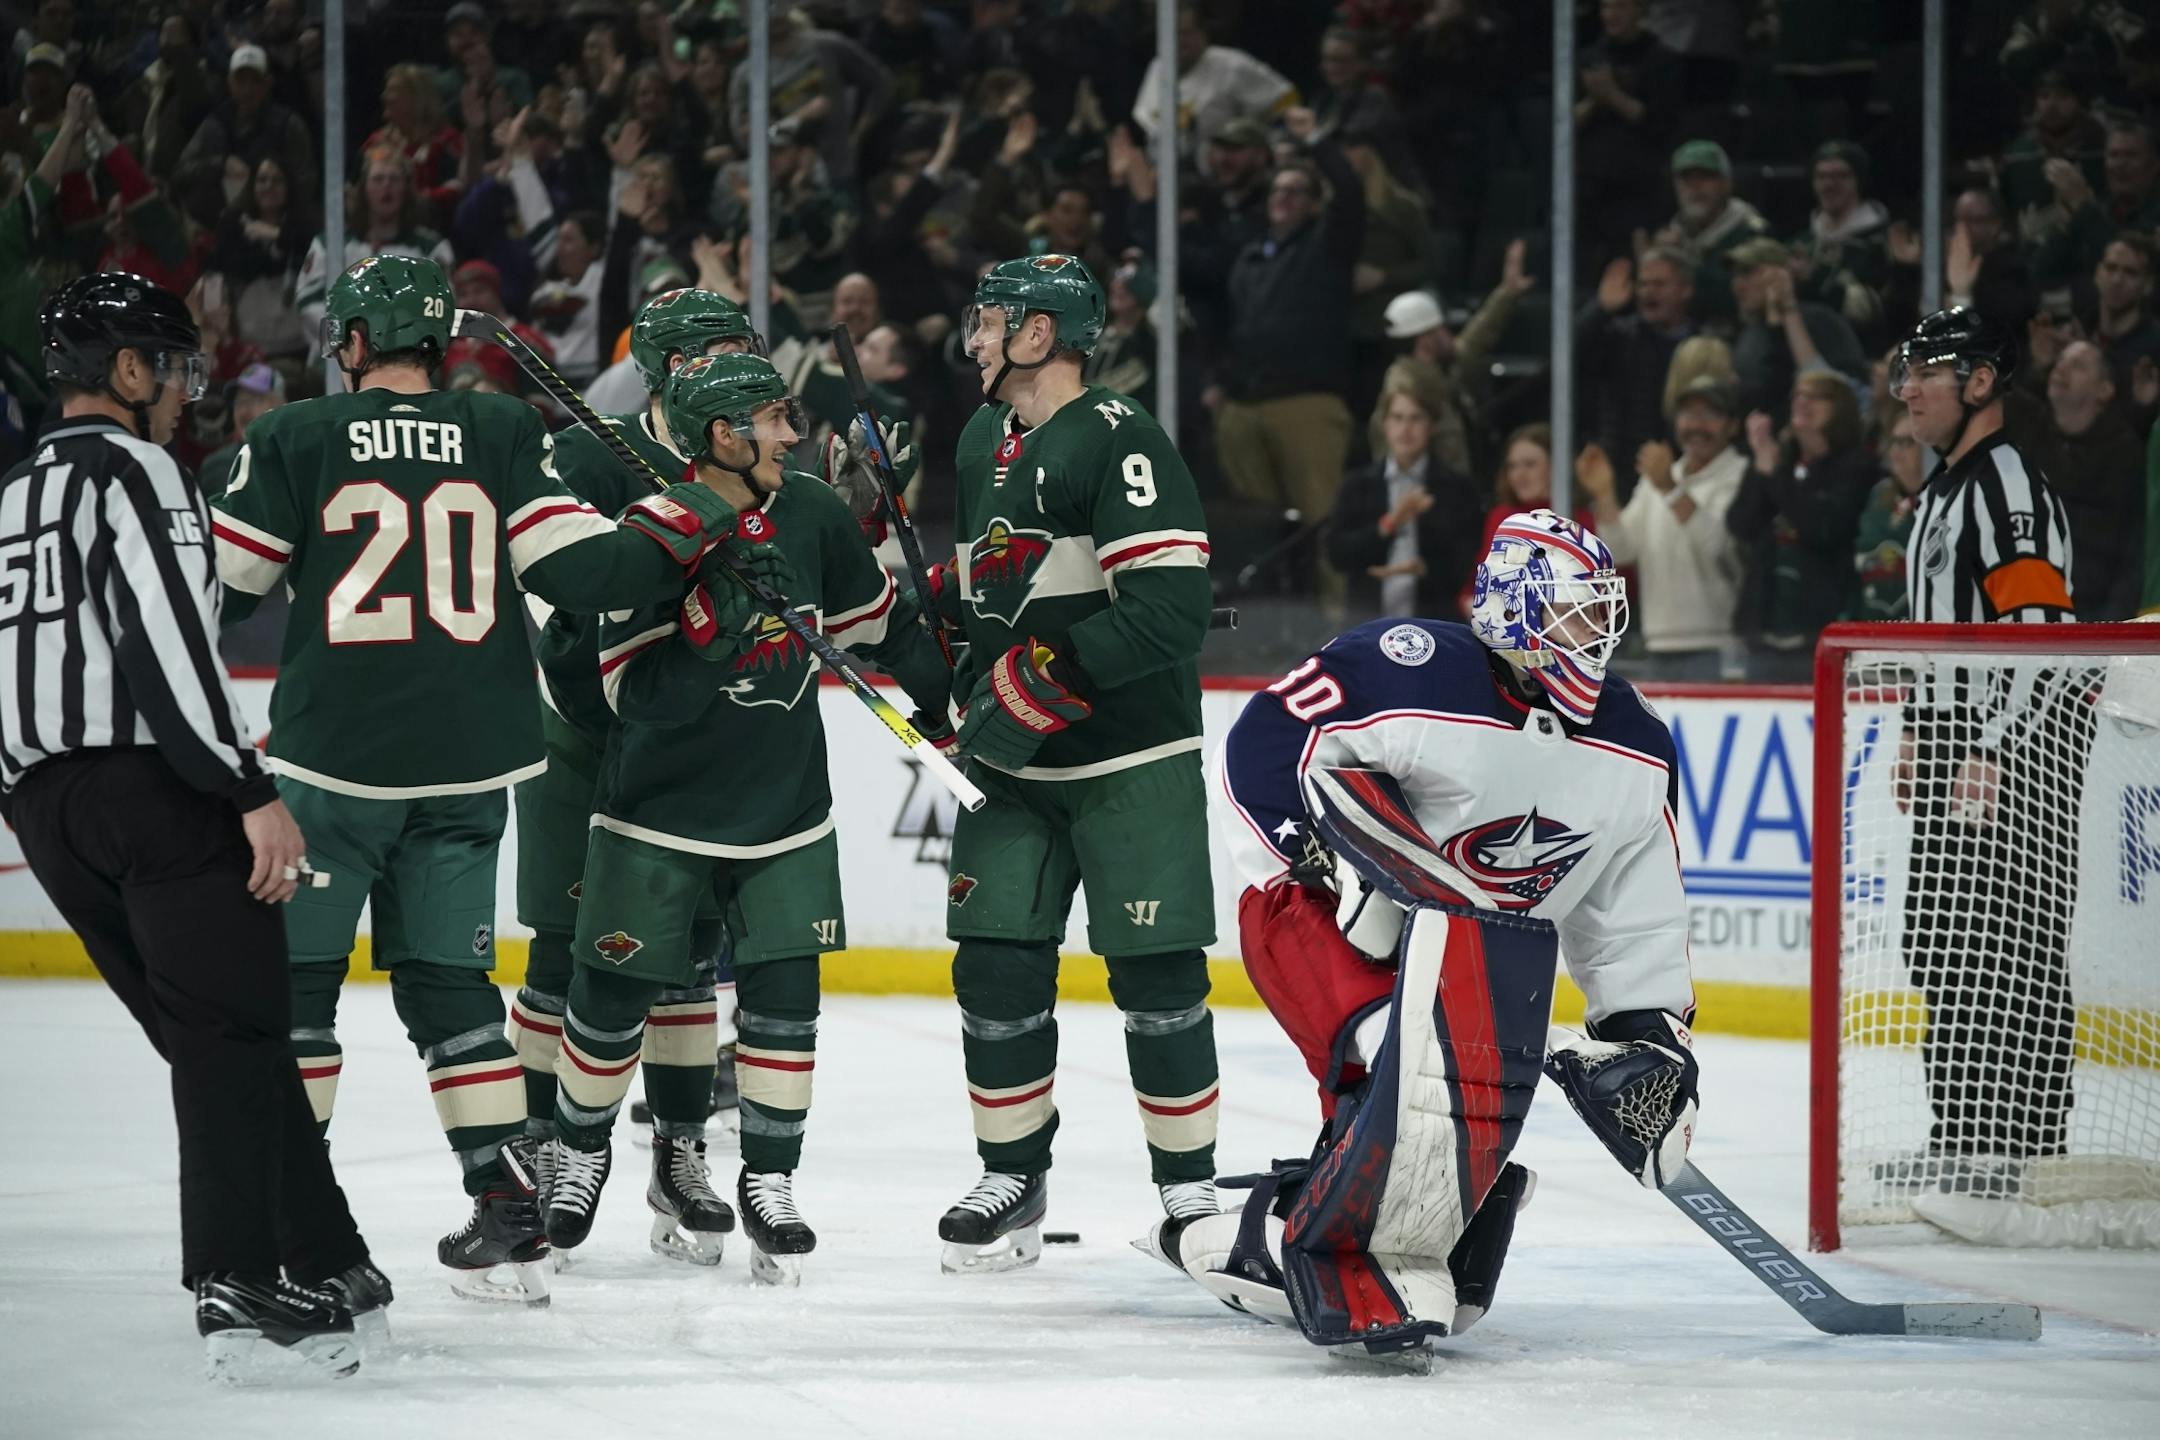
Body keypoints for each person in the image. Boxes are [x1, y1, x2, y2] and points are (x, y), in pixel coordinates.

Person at [209, 253, 744, 1307]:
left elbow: (225, 586)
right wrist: (703, 508)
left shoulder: (291, 434)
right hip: (472, 764)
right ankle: (503, 1202)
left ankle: (288, 1216)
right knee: (453, 990)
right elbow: (590, 575)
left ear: (354, 342)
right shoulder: (501, 432)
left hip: (333, 764)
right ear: (438, 343)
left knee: (299, 998)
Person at [1154, 509, 1696, 1363]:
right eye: (1575, 610)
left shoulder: (1634, 743)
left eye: (1603, 612)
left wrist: (1648, 1035)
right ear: (1515, 608)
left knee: (1450, 1082)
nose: (1595, 634)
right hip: (1316, 913)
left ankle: (1323, 1223)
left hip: (1465, 955)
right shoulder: (1411, 667)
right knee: (1399, 1061)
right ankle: (1325, 1235)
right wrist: (1321, 861)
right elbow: (1262, 743)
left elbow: (1634, 913)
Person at [2, 272, 382, 1383]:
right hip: (157, 789)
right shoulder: (141, 470)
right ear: (125, 371)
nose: (179, 391)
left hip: (46, 809)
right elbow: (165, 639)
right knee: (236, 1035)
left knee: (218, 1031)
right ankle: (240, 1279)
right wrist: (244, 789)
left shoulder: (15, 491)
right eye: (167, 367)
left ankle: (329, 1254)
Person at [540, 350, 951, 1286]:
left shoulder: (809, 512)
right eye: (774, 419)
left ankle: (771, 1180)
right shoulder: (654, 527)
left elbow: (882, 626)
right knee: (607, 998)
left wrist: (947, 707)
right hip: (659, 811)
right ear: (722, 434)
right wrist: (707, 634)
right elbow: (625, 694)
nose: (793, 435)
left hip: (787, 807)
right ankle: (579, 1156)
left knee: (785, 1002)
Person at [932, 255, 1222, 1274]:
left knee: (1157, 977)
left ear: (1042, 335)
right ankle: (1012, 1175)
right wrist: (956, 665)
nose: (973, 337)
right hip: (1016, 767)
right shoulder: (978, 438)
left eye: (992, 321)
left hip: (1127, 755)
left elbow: (1172, 612)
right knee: (994, 966)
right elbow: (993, 592)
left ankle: (1189, 1193)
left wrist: (1040, 677)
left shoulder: (1122, 438)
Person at [506, 288, 766, 1265]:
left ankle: (679, 1153)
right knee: (566, 943)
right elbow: (558, 577)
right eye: (713, 353)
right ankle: (538, 1146)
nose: (732, 370)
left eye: (742, 350)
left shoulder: (755, 453)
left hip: (689, 747)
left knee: (688, 954)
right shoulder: (582, 454)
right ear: (664, 367)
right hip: (582, 735)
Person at [1886, 306, 2082, 1196]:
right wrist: (1918, 733)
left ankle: (2027, 1148)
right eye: (1908, 373)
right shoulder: (1941, 489)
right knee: (1942, 943)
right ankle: (1963, 1135)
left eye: (1929, 372)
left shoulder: (2007, 485)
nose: (1909, 390)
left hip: (2018, 750)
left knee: (2015, 946)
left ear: (1980, 382)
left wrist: (1992, 749)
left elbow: (2040, 632)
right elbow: (1933, 637)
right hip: (1957, 744)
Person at [1214, 107, 1364, 600]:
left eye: (1296, 191)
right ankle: (1269, 627)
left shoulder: (1327, 246)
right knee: (1260, 533)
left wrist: (1317, 140)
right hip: (1245, 407)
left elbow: (1352, 193)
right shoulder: (1250, 257)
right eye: (1278, 190)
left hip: (1306, 405)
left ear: (1315, 204)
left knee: (1322, 522)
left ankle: (1336, 629)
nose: (1282, 198)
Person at [1578, 375, 1748, 674]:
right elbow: (1621, 551)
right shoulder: (1660, 476)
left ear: (1733, 425)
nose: (1697, 425)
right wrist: (1604, 495)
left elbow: (1718, 548)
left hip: (1718, 645)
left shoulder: (1740, 475)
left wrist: (1670, 488)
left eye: (1710, 414)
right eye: (1688, 414)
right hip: (1656, 644)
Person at [1727, 371, 1873, 671]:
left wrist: (1774, 476)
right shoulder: (1779, 461)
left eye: (1817, 396)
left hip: (1821, 637)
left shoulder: (1856, 466)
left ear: (1841, 408)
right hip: (1763, 633)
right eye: (1798, 395)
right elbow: (1741, 525)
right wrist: (1761, 466)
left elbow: (1823, 528)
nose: (1803, 402)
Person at [1326, 376, 1480, 617]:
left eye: (1415, 418)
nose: (1405, 429)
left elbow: (1466, 560)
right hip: (1367, 622)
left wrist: (1424, 569)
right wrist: (1393, 521)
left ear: (1431, 425)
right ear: (1385, 424)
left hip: (1434, 621)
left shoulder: (1456, 488)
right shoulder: (1357, 485)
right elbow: (1337, 554)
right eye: (1397, 418)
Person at [2040, 339, 2145, 619]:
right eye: (2061, 359)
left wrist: (2109, 629)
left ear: (2104, 389)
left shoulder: (2125, 454)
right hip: (2032, 616)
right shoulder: (2032, 439)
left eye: (2078, 365)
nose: (2061, 367)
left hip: (2096, 622)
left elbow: (2132, 553)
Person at [1578, 246, 1698, 485]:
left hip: (1686, 471)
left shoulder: (1703, 342)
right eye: (1643, 284)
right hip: (1624, 472)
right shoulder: (1619, 336)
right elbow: (1568, 358)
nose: (1648, 292)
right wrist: (1599, 310)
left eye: (1659, 284)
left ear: (1685, 290)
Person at [1848, 402, 1926, 621]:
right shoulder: (1877, 497)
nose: (1895, 453)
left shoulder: (1948, 501)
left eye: (1907, 443)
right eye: (1894, 442)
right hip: (1872, 632)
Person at [197, 361, 284, 500]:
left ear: (280, 405)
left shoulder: (297, 458)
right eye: (239, 402)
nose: (243, 411)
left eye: (253, 400)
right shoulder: (220, 466)